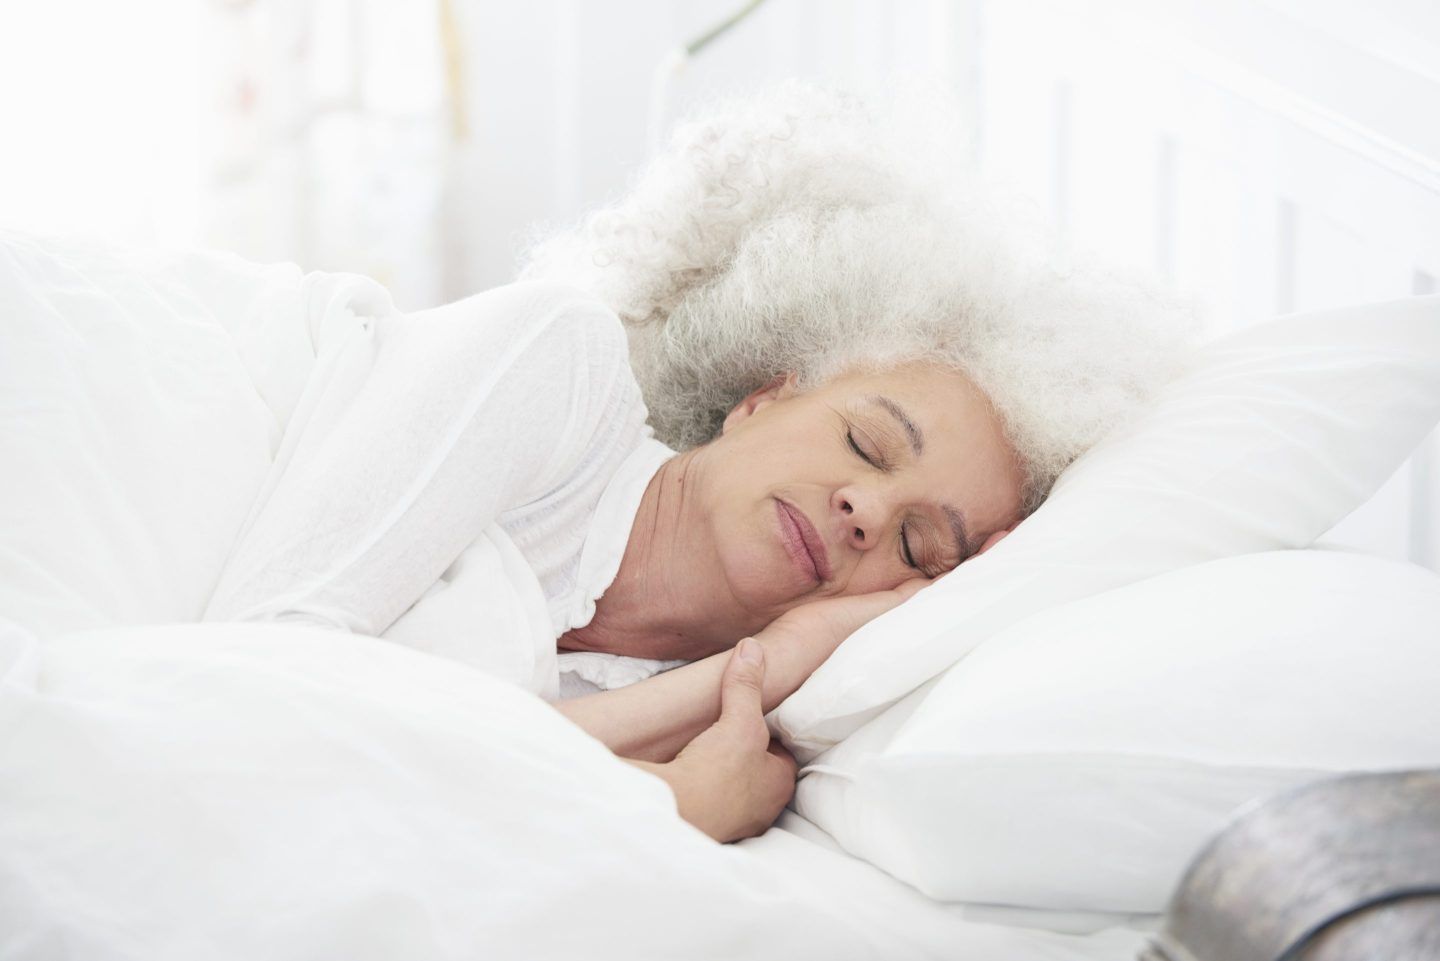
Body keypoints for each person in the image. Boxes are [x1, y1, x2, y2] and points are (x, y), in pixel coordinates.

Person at [206, 81, 1193, 844]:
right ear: (760, 397)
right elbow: (265, 683)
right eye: (867, 443)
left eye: (919, 542)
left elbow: (386, 795)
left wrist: (748, 690)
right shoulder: (557, 363)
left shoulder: (716, 736)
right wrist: (679, 788)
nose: (863, 508)